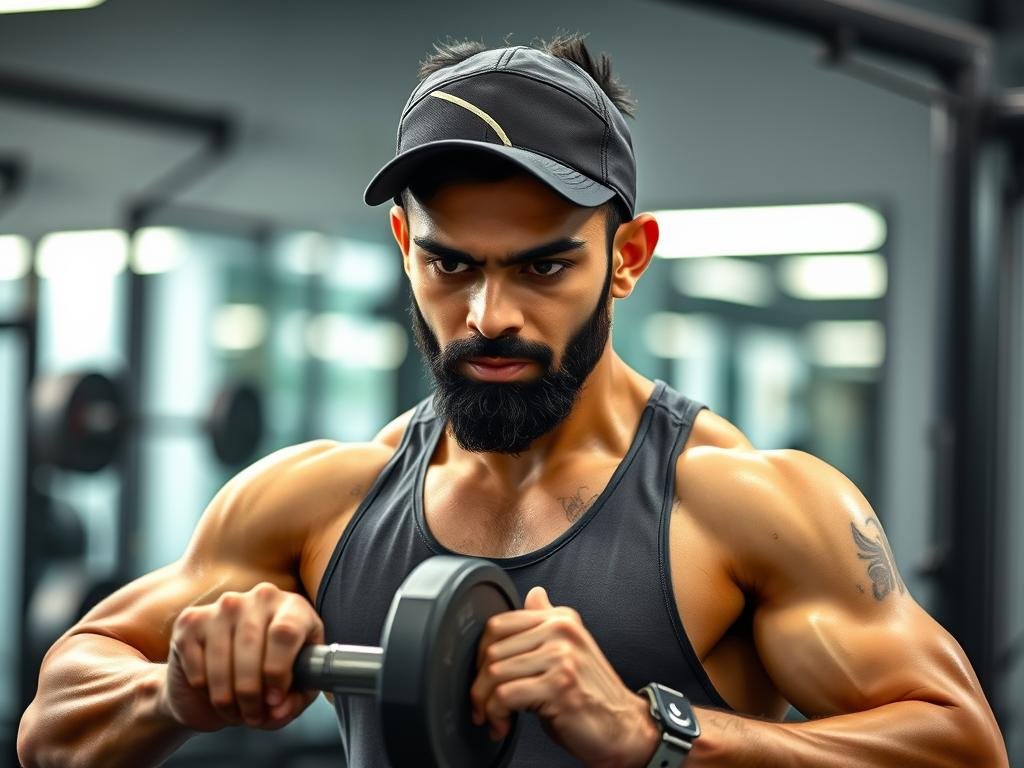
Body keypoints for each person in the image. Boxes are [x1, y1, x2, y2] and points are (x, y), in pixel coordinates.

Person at [17, 35, 1008, 768]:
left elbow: (960, 744)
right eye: (450, 263)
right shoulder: (312, 502)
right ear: (406, 251)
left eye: (542, 266)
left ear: (625, 258)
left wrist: (653, 734)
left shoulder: (744, 504)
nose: (488, 314)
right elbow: (53, 725)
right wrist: (172, 694)